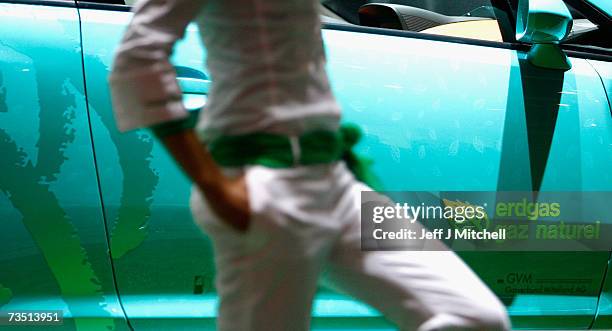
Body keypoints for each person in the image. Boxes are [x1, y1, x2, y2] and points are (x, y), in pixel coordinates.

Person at [109, 0, 511, 330]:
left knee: (477, 319)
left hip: (333, 178)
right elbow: (136, 59)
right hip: (265, 186)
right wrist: (214, 185)